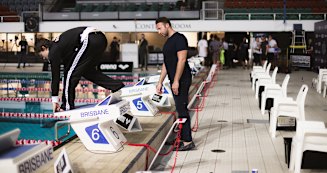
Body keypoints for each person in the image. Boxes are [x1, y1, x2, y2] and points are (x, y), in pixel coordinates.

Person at [35, 27, 125, 112]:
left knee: (70, 75)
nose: (44, 58)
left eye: (41, 55)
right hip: (101, 39)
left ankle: (67, 106)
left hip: (90, 38)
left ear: (44, 48)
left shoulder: (53, 51)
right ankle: (116, 86)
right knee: (86, 71)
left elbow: (55, 76)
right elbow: (68, 66)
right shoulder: (61, 48)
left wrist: (54, 100)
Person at [155, 17, 195, 151]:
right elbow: (166, 63)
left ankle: (188, 141)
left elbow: (182, 60)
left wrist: (176, 80)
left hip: (182, 79)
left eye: (159, 28)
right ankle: (181, 137)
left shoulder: (179, 39)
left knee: (182, 108)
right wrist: (160, 81)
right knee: (179, 108)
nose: (158, 31)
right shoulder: (168, 42)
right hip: (175, 79)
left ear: (167, 25)